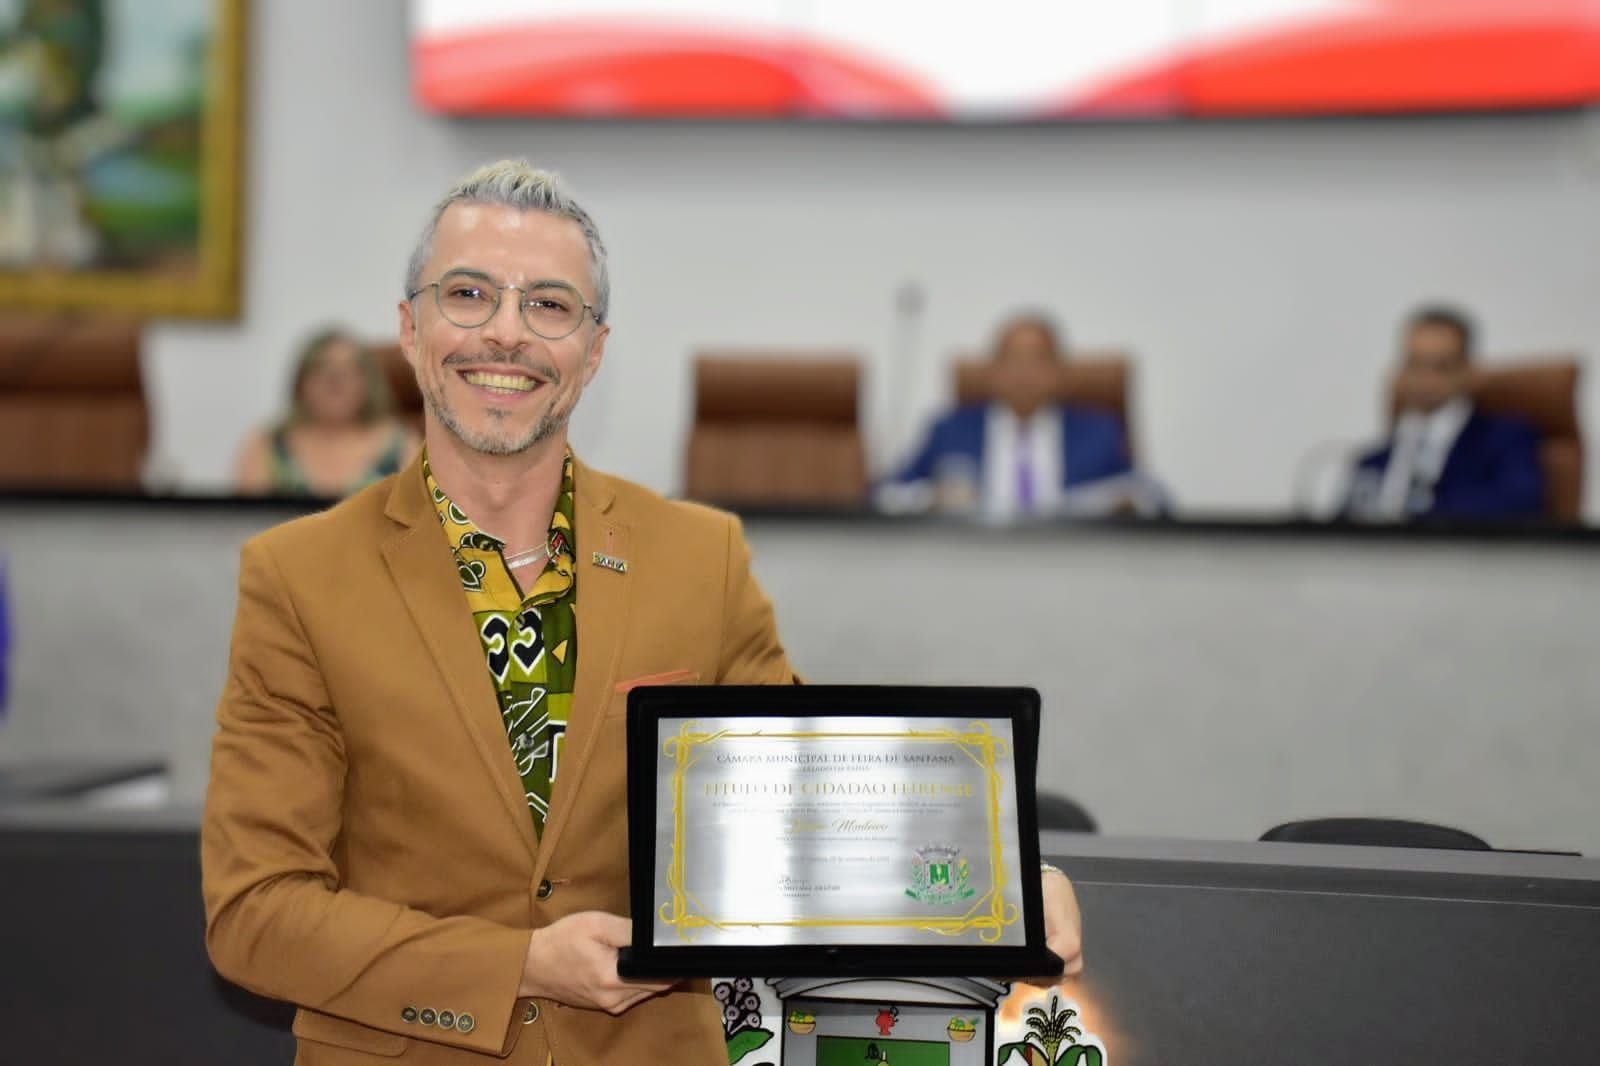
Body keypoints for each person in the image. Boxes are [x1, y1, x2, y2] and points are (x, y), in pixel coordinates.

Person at [201, 160, 1084, 1064]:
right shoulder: (298, 577)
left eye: (549, 306)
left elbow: (815, 817)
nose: (505, 333)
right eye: (468, 294)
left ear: (593, 350)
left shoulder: (700, 558)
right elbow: (256, 915)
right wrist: (521, 965)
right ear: (410, 327)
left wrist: (1012, 883)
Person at [887, 313, 1142, 519]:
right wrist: (931, 497)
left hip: (1072, 562)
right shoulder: (950, 430)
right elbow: (888, 494)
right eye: (1012, 360)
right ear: (992, 370)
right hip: (972, 560)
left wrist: (1127, 500)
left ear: (1060, 370)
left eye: (1037, 360)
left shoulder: (1099, 432)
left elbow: (1150, 494)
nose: (1024, 373)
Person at [1344, 306, 1545, 521]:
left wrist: (1416, 514)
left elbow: (1519, 501)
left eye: (1441, 367)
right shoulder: (1373, 461)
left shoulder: (1506, 441)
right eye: (1415, 364)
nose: (1425, 379)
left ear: (1468, 372)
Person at [233, 328, 420, 497]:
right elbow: (246, 525)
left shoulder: (403, 445)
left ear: (368, 382)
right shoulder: (267, 445)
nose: (336, 381)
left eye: (350, 370)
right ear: (302, 382)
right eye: (322, 369)